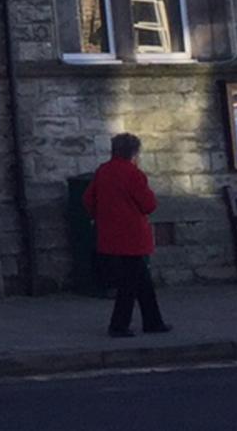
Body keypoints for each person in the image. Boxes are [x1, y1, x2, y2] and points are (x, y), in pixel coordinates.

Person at [83, 132, 171, 337]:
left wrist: (100, 215)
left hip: (109, 234)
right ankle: (119, 325)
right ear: (133, 153)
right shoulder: (133, 174)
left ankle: (153, 320)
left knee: (142, 281)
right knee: (130, 283)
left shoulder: (103, 171)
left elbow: (88, 199)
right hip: (132, 236)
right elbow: (149, 205)